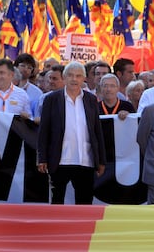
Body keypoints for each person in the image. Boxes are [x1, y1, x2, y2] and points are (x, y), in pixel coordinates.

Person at [37, 61, 106, 204]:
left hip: (85, 159)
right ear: (64, 77)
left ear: (84, 78)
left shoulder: (91, 99)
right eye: (71, 75)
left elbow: (97, 131)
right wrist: (42, 157)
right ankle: (56, 227)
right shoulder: (51, 99)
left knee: (85, 202)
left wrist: (101, 160)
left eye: (78, 76)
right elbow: (44, 131)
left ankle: (83, 227)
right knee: (57, 201)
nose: (74, 79)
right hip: (59, 159)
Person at [13, 53, 43, 117]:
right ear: (15, 67)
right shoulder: (4, 87)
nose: (25, 69)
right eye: (22, 66)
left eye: (29, 68)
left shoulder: (37, 93)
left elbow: (37, 116)